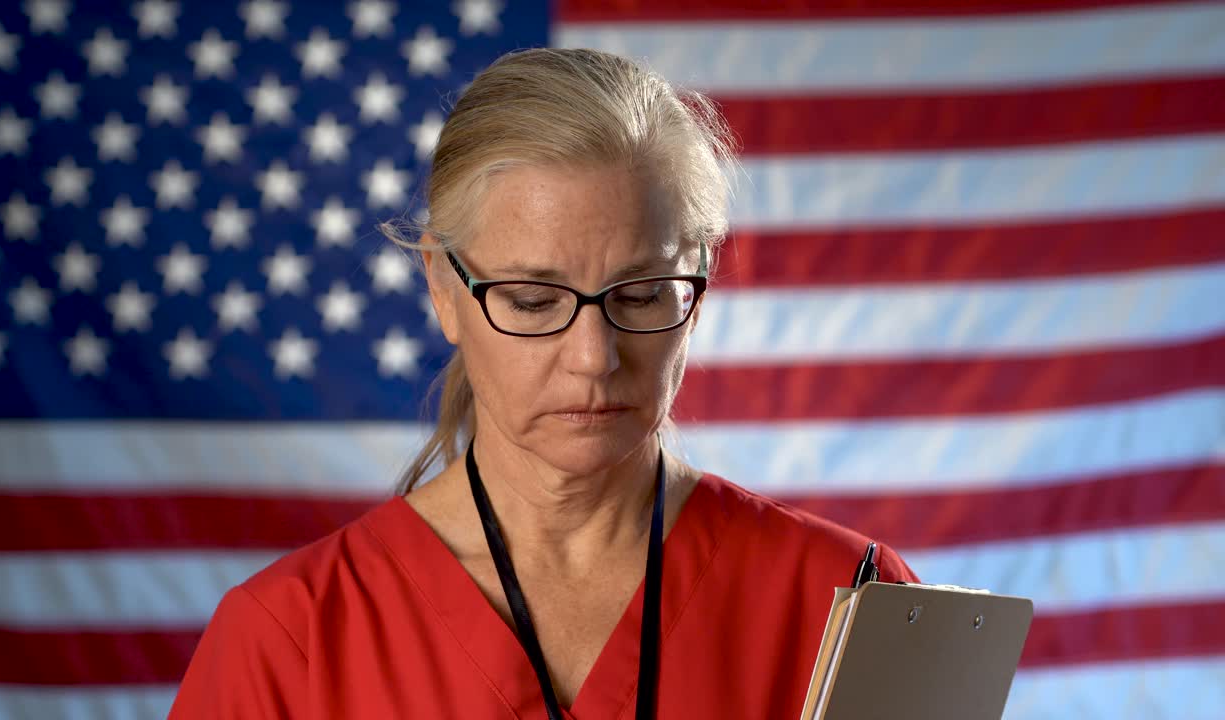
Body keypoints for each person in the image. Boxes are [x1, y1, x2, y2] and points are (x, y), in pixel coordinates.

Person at [169, 47, 917, 719]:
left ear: (699, 284)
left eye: (641, 294)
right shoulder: (289, 638)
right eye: (533, 300)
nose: (594, 356)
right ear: (443, 288)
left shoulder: (858, 607)